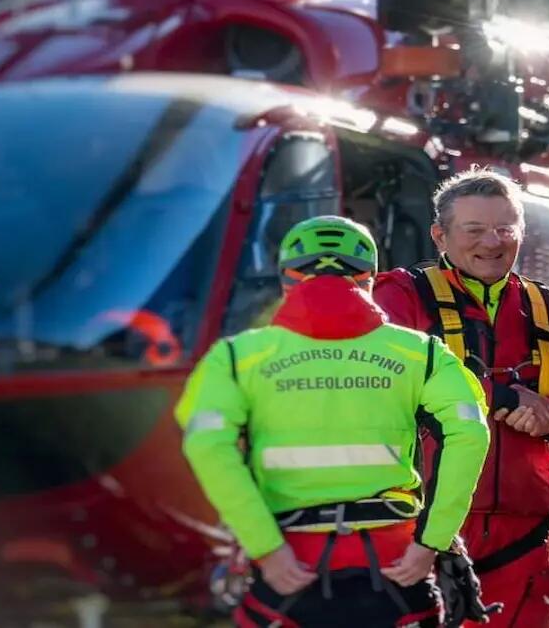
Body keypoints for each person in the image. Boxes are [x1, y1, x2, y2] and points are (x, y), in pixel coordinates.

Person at [176, 216, 491, 627]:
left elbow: (205, 445)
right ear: (369, 279)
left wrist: (265, 548)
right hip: (397, 569)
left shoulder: (237, 357)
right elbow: (470, 434)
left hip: (288, 572)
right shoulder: (424, 354)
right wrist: (432, 541)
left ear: (288, 280)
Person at [375, 169, 549, 627]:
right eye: (474, 230)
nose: (492, 242)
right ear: (440, 235)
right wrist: (498, 395)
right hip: (422, 529)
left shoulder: (548, 308)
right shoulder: (401, 295)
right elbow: (390, 376)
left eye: (505, 229)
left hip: (527, 535)